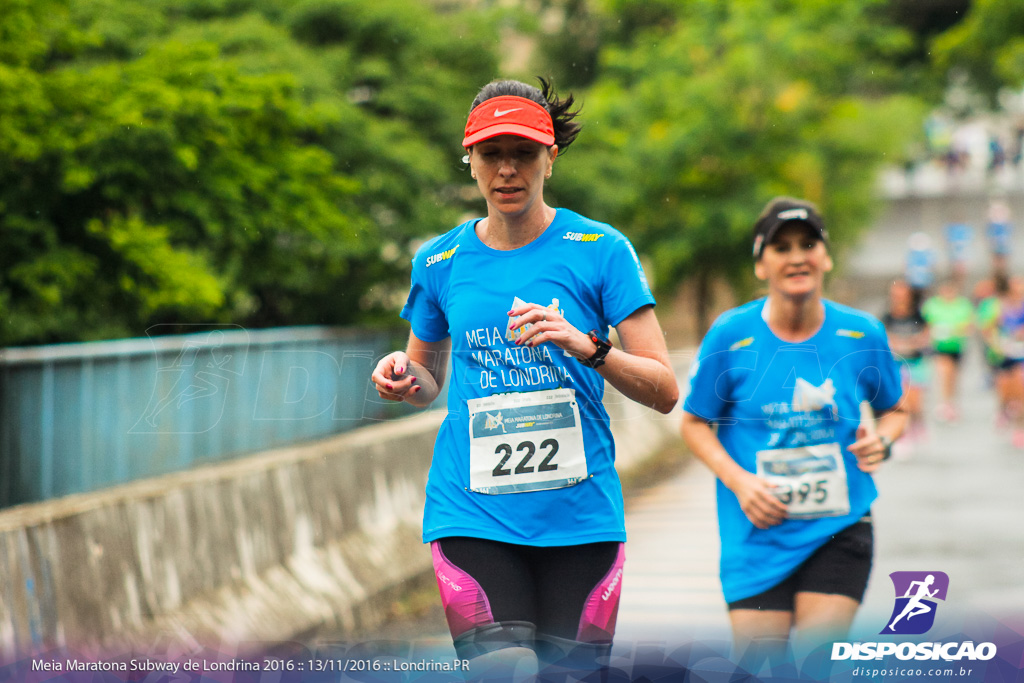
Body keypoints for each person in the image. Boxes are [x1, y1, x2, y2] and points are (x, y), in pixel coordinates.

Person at [370, 78, 679, 679]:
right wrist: (402, 376)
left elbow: (664, 390)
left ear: (550, 158)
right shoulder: (438, 261)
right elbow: (427, 378)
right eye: (491, 154)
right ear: (471, 161)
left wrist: (588, 347)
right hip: (472, 510)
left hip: (580, 515)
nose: (507, 170)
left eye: (524, 154)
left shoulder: (601, 249)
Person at [680, 197, 906, 661]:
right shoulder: (730, 335)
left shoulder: (862, 334)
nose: (797, 255)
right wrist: (740, 483)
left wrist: (882, 440)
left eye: (808, 243)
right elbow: (694, 424)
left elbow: (895, 410)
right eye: (781, 247)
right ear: (761, 264)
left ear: (826, 256)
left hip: (838, 526)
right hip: (757, 528)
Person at [882, 280, 930, 448]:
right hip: (896, 364)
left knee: (915, 401)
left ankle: (918, 422)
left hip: (915, 362)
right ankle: (904, 433)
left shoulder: (918, 316)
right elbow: (884, 338)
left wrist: (912, 343)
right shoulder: (887, 316)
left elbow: (927, 335)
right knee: (902, 400)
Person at [921, 279, 974, 422]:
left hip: (956, 345)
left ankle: (951, 401)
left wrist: (955, 330)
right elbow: (926, 324)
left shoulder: (963, 305)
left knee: (954, 376)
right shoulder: (932, 305)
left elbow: (969, 325)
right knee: (944, 371)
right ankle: (944, 402)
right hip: (939, 346)